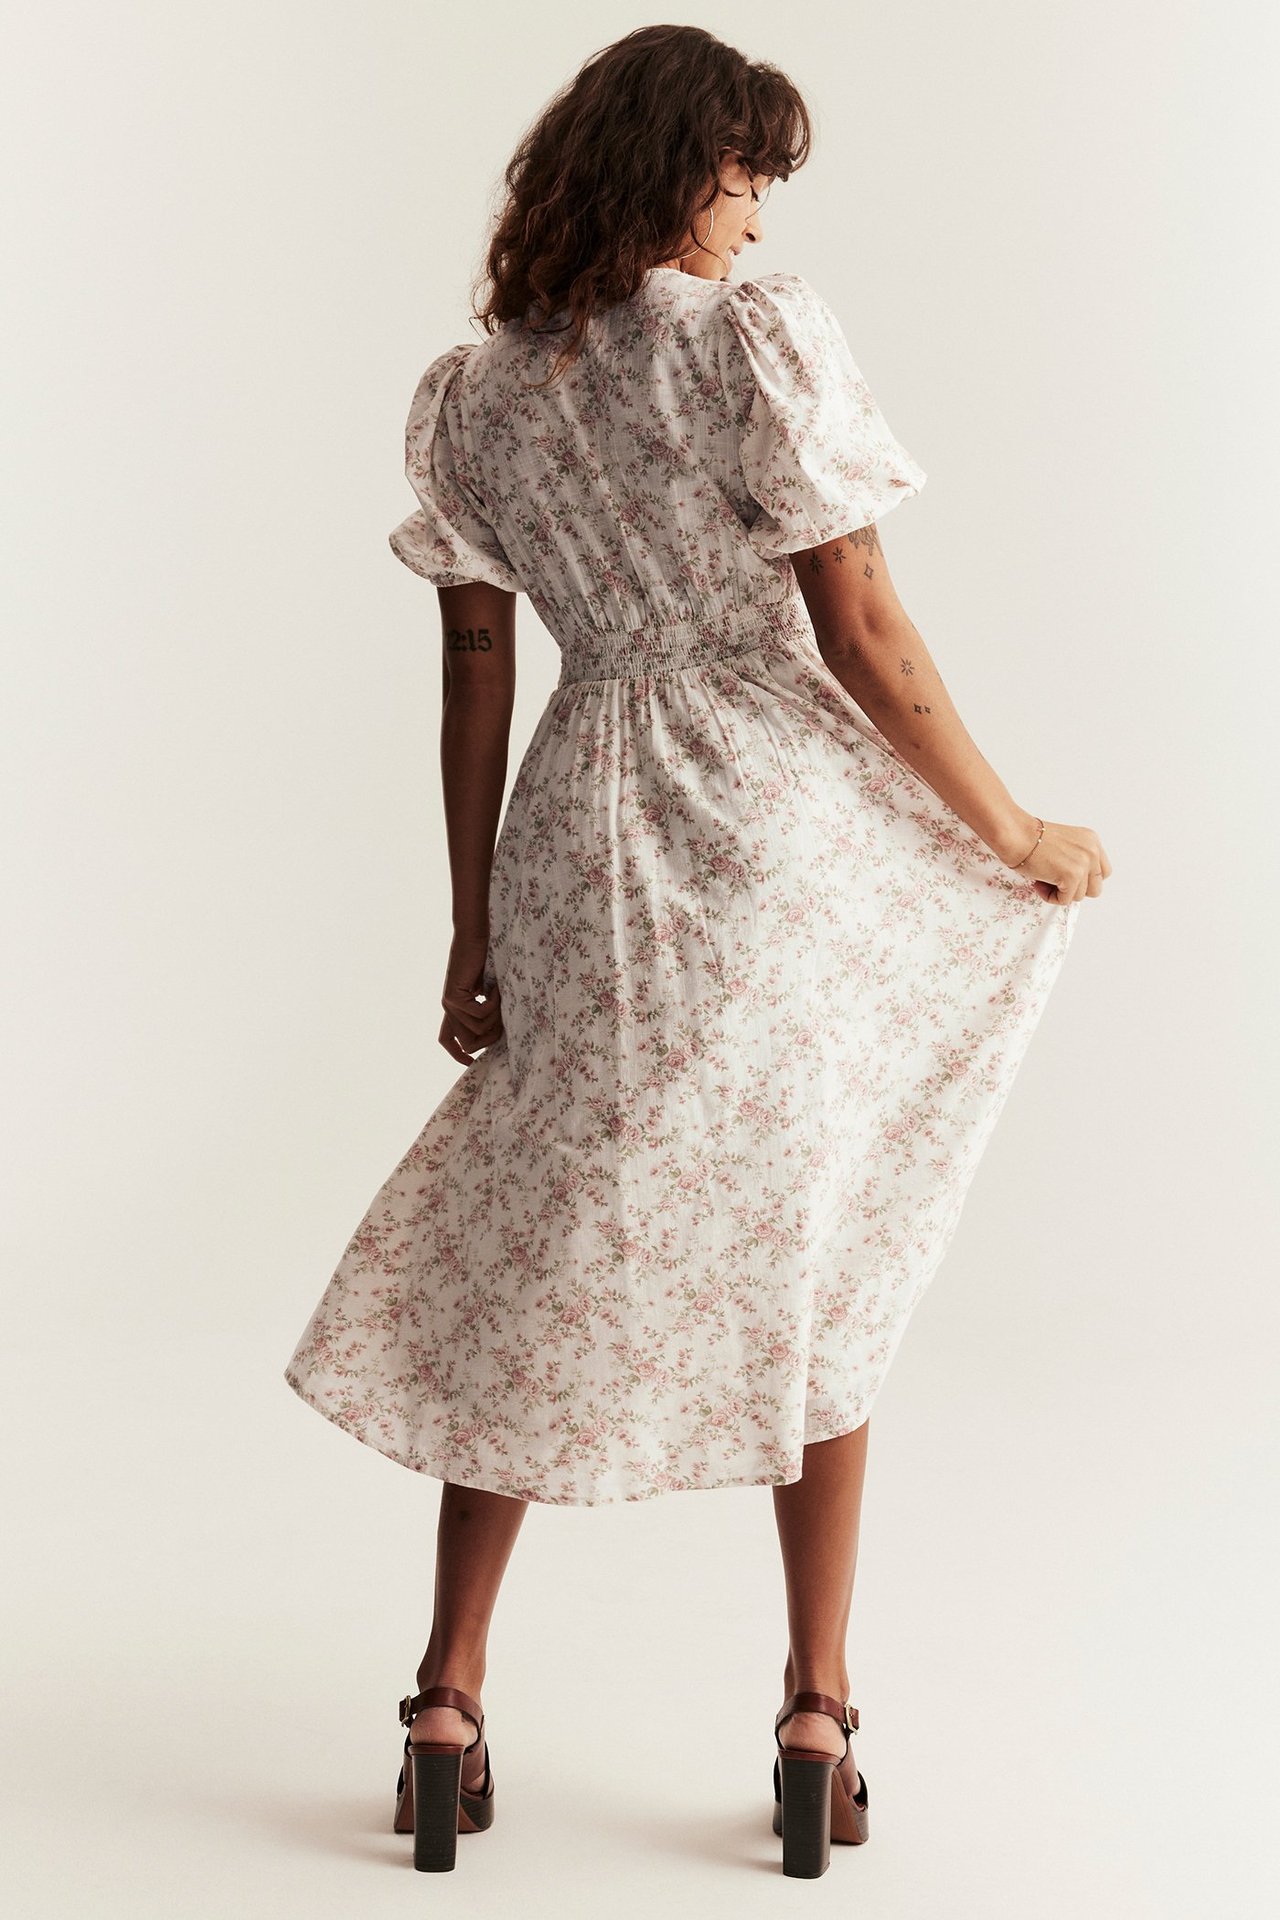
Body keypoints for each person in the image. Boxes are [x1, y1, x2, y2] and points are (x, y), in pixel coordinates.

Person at [282, 23, 1109, 1879]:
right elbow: (862, 618)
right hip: (765, 818)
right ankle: (819, 1709)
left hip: (579, 824)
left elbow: (476, 670)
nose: (755, 212)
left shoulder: (476, 393)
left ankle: (443, 1698)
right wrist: (1015, 831)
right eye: (743, 173)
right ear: (676, 168)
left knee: (542, 1234)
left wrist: (471, 925)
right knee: (817, 1243)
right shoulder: (747, 333)